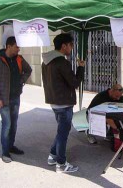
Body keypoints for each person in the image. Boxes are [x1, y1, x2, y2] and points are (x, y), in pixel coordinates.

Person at [42, 33, 85, 173]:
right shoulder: (62, 62)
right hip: (64, 104)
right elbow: (75, 83)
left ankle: (52, 156)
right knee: (63, 134)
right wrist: (81, 67)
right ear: (64, 46)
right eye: (71, 45)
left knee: (61, 131)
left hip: (54, 102)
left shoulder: (46, 61)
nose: (72, 48)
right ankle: (61, 164)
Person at [0, 36, 32, 163]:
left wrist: (21, 81)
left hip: (15, 98)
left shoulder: (19, 59)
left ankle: (11, 146)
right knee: (7, 125)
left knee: (14, 124)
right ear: (9, 46)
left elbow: (28, 70)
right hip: (4, 100)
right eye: (17, 46)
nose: (19, 49)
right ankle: (5, 152)